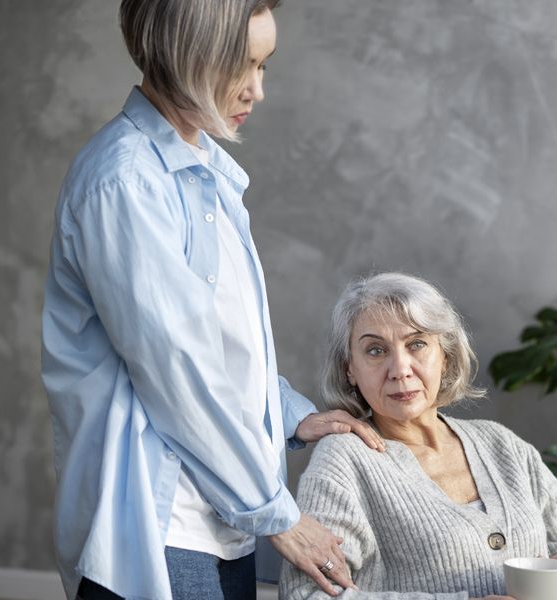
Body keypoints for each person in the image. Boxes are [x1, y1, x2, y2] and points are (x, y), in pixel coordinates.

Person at [40, 1, 384, 599]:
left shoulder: (203, 173)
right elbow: (178, 370)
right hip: (158, 526)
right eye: (240, 65)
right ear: (187, 55)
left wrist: (292, 414)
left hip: (217, 520)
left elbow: (215, 344)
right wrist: (278, 513)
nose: (257, 90)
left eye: (264, 66)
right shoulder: (126, 182)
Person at [279, 273, 557, 600]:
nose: (400, 370)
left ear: (445, 357)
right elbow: (306, 596)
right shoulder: (343, 459)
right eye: (376, 350)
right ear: (350, 370)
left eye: (417, 344)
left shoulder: (501, 445)